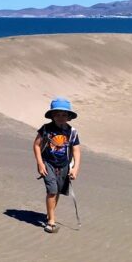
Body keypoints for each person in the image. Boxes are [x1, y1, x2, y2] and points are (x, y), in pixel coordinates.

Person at [33, 97, 82, 234]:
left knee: (58, 191)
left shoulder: (72, 132)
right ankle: (51, 222)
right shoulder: (46, 129)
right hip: (48, 163)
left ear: (69, 117)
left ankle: (50, 213)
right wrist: (40, 163)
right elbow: (36, 145)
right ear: (52, 115)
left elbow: (76, 150)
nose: (61, 117)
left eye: (64, 114)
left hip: (64, 165)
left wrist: (75, 167)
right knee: (52, 190)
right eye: (57, 114)